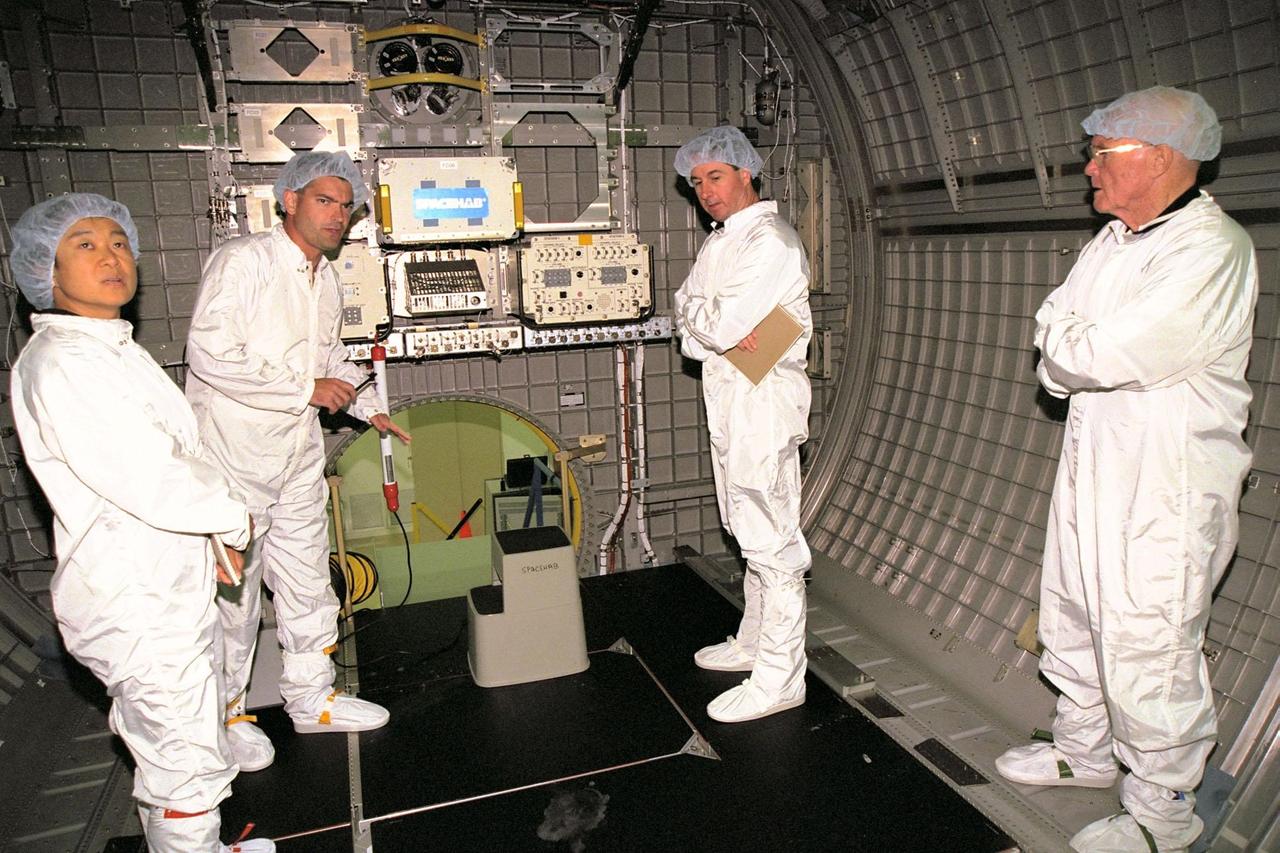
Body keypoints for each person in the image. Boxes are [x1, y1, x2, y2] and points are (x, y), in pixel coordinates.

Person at [995, 87, 1257, 852]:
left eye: (1104, 154)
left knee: (1149, 642)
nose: (1088, 169)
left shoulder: (1210, 251)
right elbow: (1055, 359)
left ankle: (1161, 814)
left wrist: (1068, 343)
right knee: (1072, 609)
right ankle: (1083, 750)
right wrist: (1068, 345)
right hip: (1096, 464)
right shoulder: (1110, 244)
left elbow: (1091, 351)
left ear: (1163, 157)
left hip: (1166, 486)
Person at [8, 194, 273, 852]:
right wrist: (229, 516)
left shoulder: (110, 351)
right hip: (136, 601)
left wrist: (210, 534)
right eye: (86, 245)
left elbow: (177, 458)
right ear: (46, 270)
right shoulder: (65, 364)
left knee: (182, 746)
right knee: (185, 768)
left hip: (162, 583)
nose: (111, 255)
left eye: (118, 243)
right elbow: (149, 474)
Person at [185, 151, 410, 772]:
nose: (336, 215)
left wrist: (366, 407)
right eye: (323, 201)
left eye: (345, 205)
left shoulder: (326, 277)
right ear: (290, 200)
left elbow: (330, 357)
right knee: (234, 598)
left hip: (297, 457)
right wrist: (304, 389)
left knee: (310, 582)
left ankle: (312, 698)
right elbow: (211, 354)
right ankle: (226, 716)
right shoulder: (245, 262)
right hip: (235, 460)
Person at [672, 126, 813, 724]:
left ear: (746, 173)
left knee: (771, 538)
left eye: (716, 176)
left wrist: (706, 324)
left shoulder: (771, 243)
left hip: (763, 404)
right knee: (743, 523)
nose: (706, 190)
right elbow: (690, 321)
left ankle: (782, 675)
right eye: (696, 181)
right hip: (731, 399)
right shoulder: (721, 241)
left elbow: (717, 326)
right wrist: (707, 325)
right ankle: (755, 641)